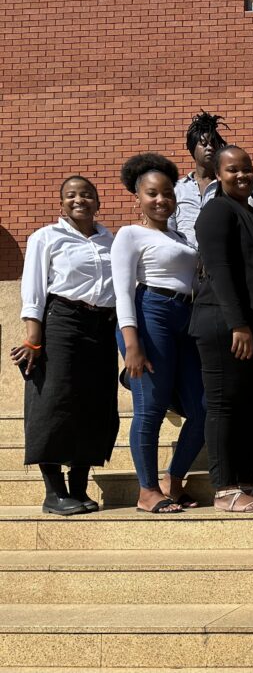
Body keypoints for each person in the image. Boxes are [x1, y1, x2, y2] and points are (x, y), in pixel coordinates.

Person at [12, 175, 118, 515]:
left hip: (102, 326)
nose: (79, 200)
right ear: (62, 204)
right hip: (62, 322)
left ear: (97, 202)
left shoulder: (110, 240)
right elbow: (34, 292)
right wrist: (34, 339)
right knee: (54, 401)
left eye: (87, 194)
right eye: (71, 195)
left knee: (94, 403)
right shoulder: (46, 237)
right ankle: (53, 492)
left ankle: (79, 488)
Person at [191, 145, 253, 513]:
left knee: (250, 405)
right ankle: (225, 489)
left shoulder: (247, 209)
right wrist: (238, 325)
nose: (242, 175)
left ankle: (245, 481)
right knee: (224, 404)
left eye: (247, 169)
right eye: (233, 170)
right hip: (224, 322)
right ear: (218, 174)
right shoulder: (216, 210)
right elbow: (220, 270)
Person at [112, 153, 206, 514]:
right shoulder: (130, 234)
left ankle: (173, 480)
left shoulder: (180, 236)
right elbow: (122, 290)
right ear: (138, 197)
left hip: (186, 317)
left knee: (203, 409)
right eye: (153, 193)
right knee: (149, 408)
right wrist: (131, 343)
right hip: (151, 312)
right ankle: (147, 490)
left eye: (168, 193)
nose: (162, 200)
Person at [168, 111, 228, 247]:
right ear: (192, 148)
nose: (210, 148)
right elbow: (168, 230)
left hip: (217, 261)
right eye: (204, 144)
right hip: (185, 261)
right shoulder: (177, 189)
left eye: (213, 144)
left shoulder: (227, 186)